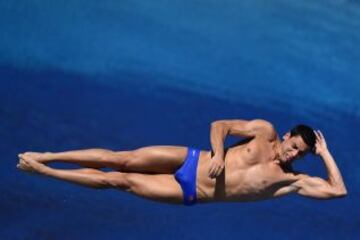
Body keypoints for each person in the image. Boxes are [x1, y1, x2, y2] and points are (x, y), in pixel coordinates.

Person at [17, 119, 347, 205]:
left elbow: (338, 191)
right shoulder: (264, 132)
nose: (293, 154)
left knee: (118, 181)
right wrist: (218, 153)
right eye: (294, 146)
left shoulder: (291, 181)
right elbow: (219, 126)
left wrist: (326, 153)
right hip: (192, 158)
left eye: (302, 153)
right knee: (121, 159)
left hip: (190, 192)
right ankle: (48, 154)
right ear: (287, 135)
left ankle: (45, 171)